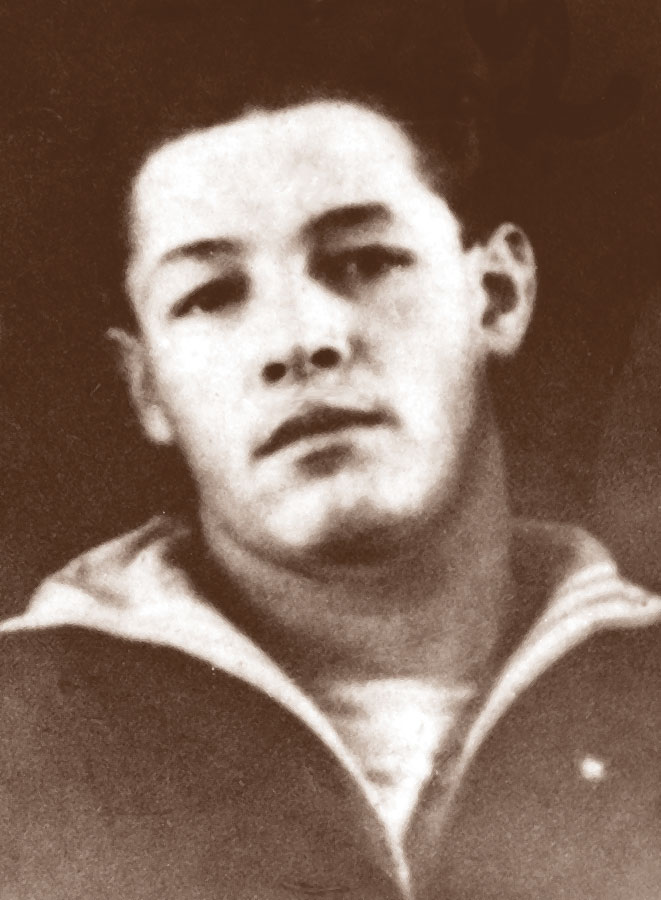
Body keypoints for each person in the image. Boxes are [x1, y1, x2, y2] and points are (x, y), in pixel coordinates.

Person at [1, 77, 660, 900]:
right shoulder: (20, 734)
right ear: (147, 388)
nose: (301, 340)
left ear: (495, 294)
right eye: (210, 295)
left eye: (364, 262)